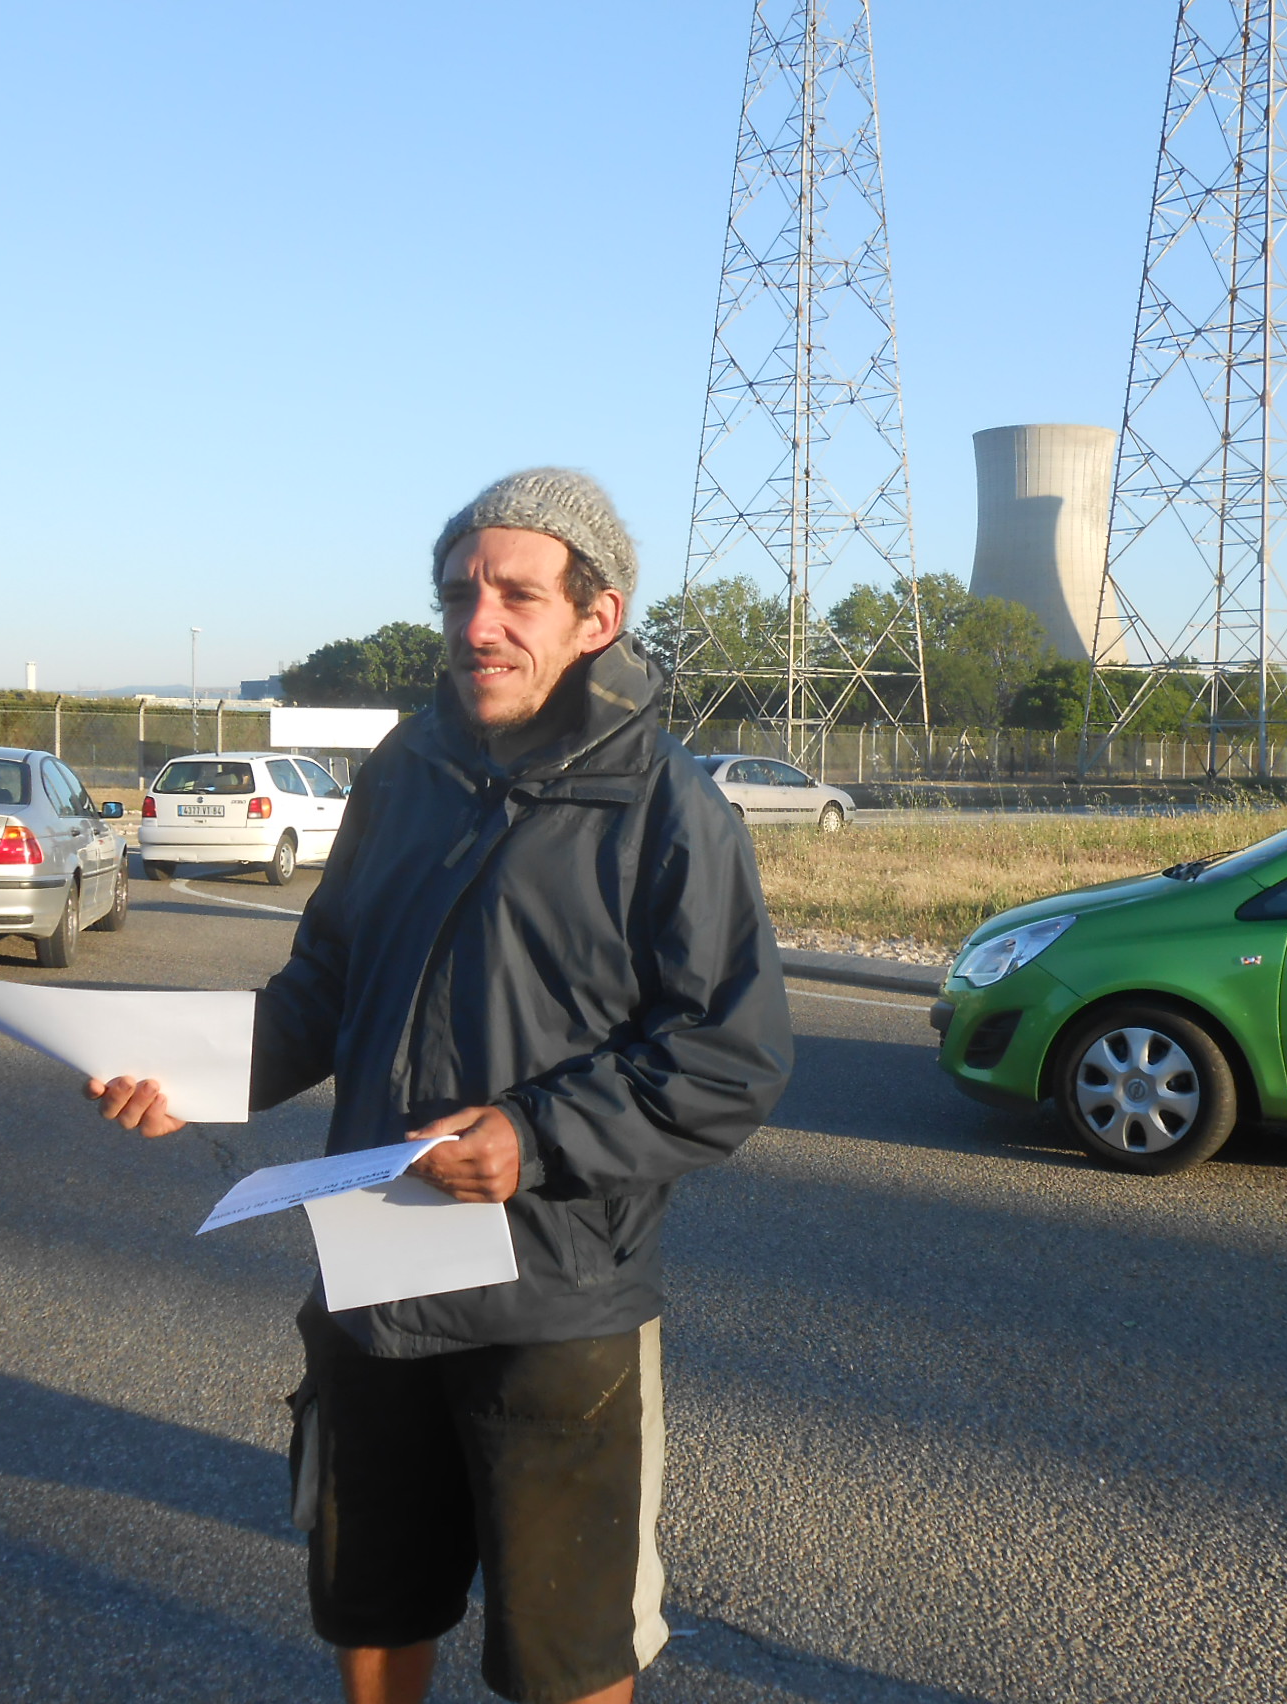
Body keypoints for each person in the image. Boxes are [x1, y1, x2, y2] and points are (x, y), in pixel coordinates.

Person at [87, 467, 792, 1704]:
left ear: (599, 617)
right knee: (371, 1601)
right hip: (375, 1276)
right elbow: (327, 983)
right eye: (460, 593)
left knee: (567, 1647)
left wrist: (533, 1138)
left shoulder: (667, 807)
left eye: (517, 594)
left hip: (557, 1297)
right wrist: (197, 1076)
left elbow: (727, 1056)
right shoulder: (403, 770)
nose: (478, 623)